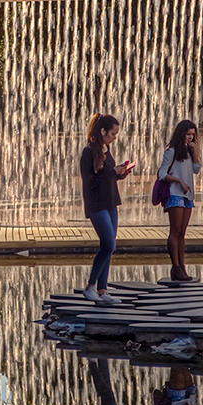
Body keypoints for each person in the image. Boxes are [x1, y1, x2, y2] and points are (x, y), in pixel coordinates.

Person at [79, 113, 135, 305]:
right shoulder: (88, 152)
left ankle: (102, 291)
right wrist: (113, 172)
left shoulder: (106, 148)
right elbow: (90, 181)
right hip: (97, 204)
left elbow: (107, 176)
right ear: (102, 131)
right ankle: (90, 287)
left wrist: (120, 173)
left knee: (109, 247)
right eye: (112, 133)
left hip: (111, 202)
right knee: (109, 244)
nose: (114, 137)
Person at [156, 119, 202, 281]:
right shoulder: (171, 151)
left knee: (182, 233)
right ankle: (175, 267)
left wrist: (195, 151)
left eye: (192, 135)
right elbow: (161, 173)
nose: (190, 138)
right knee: (175, 231)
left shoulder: (189, 152)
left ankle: (182, 266)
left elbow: (197, 169)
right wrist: (179, 181)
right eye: (187, 134)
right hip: (175, 194)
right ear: (180, 133)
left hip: (188, 195)